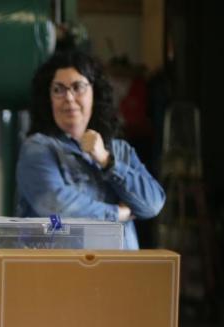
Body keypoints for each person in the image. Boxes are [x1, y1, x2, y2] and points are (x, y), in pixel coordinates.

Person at [16, 50, 165, 249]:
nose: (69, 97)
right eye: (58, 90)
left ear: (95, 93)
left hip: (118, 275)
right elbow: (56, 209)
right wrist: (116, 214)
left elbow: (152, 204)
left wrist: (106, 161)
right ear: (48, 99)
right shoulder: (38, 149)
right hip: (61, 275)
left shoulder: (118, 150)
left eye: (78, 87)